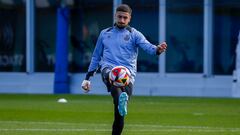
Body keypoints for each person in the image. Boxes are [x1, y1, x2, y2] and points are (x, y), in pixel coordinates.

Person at [81, 4, 167, 135]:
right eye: (119, 17)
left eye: (124, 18)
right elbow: (96, 56)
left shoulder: (134, 34)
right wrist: (88, 78)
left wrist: (157, 49)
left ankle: (122, 100)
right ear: (115, 16)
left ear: (129, 19)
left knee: (119, 115)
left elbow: (148, 47)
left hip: (128, 75)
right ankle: (121, 97)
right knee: (114, 79)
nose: (121, 20)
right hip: (108, 69)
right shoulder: (105, 33)